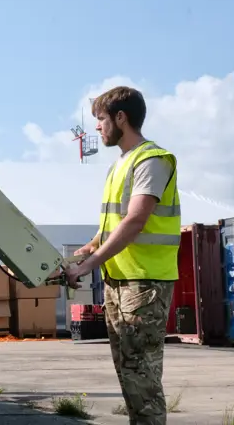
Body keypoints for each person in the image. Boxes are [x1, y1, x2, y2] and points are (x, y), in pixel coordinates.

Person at [64, 86, 180, 424]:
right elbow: (113, 223)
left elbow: (135, 220)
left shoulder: (152, 159)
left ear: (120, 117)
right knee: (129, 370)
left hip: (145, 283)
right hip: (121, 281)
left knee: (141, 374)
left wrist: (88, 264)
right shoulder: (120, 165)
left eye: (100, 119)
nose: (97, 127)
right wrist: (88, 247)